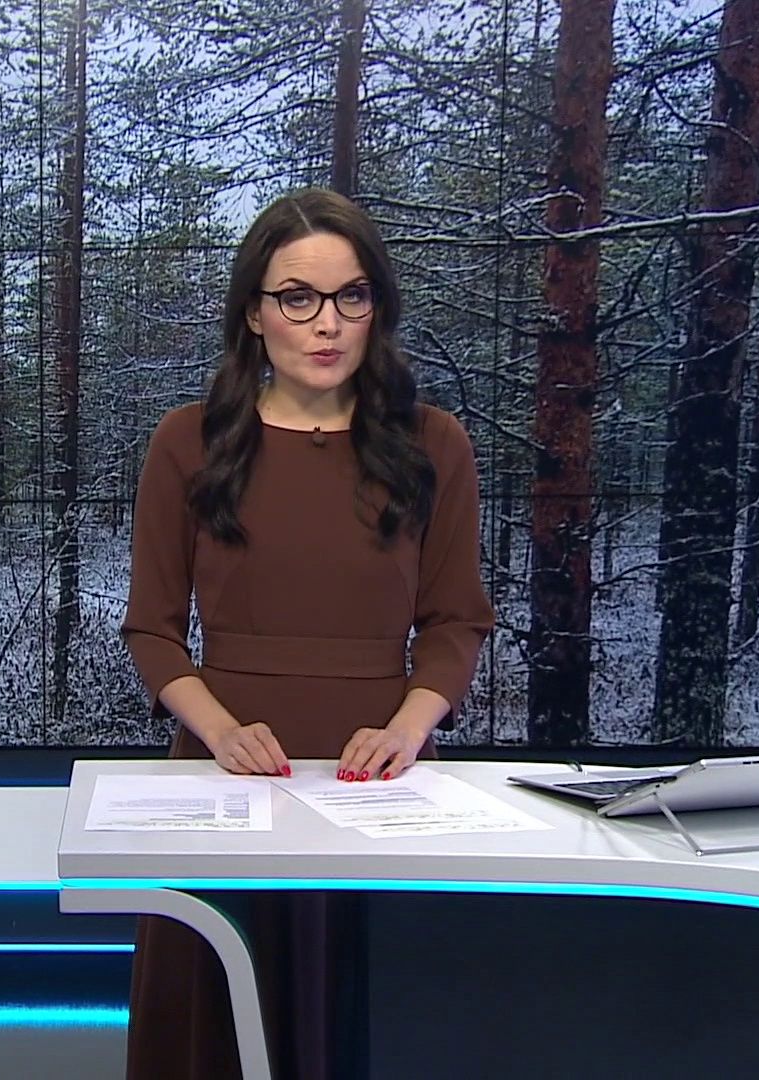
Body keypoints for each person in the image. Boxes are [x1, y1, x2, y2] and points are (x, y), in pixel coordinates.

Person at [119, 187, 496, 1079]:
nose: (327, 324)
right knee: (220, 1034)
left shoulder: (435, 444)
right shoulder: (189, 442)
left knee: (365, 1024)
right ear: (255, 314)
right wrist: (221, 733)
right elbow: (153, 631)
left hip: (382, 784)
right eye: (297, 298)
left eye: (350, 296)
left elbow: (455, 620)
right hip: (226, 784)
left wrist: (408, 730)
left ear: (377, 309)